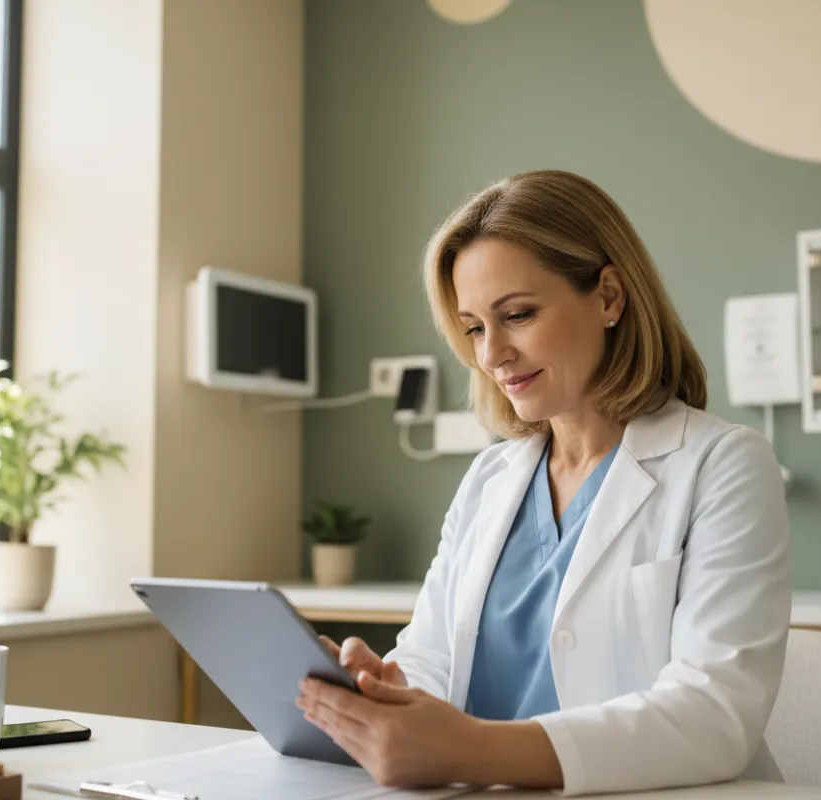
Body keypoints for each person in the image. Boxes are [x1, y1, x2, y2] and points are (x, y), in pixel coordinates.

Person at [295, 170, 791, 796]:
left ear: (609, 297)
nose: (491, 354)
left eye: (518, 315)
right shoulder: (490, 478)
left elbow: (714, 716)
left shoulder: (722, 463)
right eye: (475, 327)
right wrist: (389, 695)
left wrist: (472, 750)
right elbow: (432, 659)